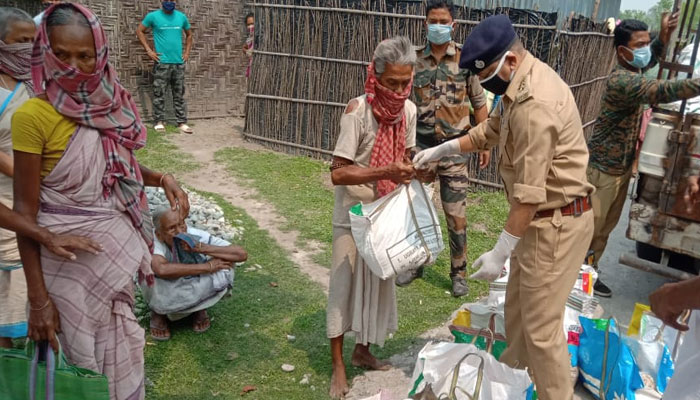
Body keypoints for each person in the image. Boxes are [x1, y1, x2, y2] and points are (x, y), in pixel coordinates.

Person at [12, 4, 189, 399]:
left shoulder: (111, 104)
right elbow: (26, 213)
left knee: (120, 350)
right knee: (74, 374)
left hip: (110, 267)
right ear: (45, 51)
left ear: (100, 55)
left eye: (84, 56)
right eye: (62, 54)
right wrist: (39, 301)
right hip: (63, 273)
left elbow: (117, 165)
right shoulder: (32, 116)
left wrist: (161, 177)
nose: (74, 66)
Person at [414, 15, 594, 400]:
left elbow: (529, 195)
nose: (485, 84)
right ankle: (512, 384)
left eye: (488, 74)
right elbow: (490, 131)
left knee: (542, 330)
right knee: (517, 313)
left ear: (510, 61)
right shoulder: (518, 85)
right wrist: (445, 148)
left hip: (558, 222)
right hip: (540, 221)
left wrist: (499, 251)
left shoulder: (535, 104)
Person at [0, 7, 101, 349]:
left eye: (32, 42)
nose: (26, 50)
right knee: (14, 301)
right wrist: (33, 174)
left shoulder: (42, 89)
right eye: (19, 41)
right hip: (15, 210)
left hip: (52, 215)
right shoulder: (24, 103)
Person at [585, 14, 700, 298]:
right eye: (640, 44)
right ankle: (577, 278)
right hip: (602, 170)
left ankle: (589, 273)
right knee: (590, 230)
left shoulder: (633, 70)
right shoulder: (622, 81)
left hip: (619, 168)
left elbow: (650, 62)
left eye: (646, 43)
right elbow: (664, 90)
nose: (644, 49)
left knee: (604, 230)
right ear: (623, 51)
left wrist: (662, 37)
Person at [326, 36, 417, 399]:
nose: (397, 91)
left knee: (378, 284)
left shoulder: (408, 112)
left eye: (404, 83)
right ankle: (337, 365)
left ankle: (362, 351)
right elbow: (338, 172)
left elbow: (406, 159)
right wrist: (383, 170)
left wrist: (415, 170)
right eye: (391, 82)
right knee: (343, 286)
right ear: (375, 76)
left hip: (386, 213)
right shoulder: (357, 111)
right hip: (352, 214)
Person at [397, 0, 489, 297]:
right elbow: (401, 101)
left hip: (454, 152)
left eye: (443, 21)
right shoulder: (412, 60)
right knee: (417, 212)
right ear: (425, 24)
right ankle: (415, 262)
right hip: (421, 150)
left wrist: (483, 141)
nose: (438, 26)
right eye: (432, 21)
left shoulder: (466, 60)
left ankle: (458, 273)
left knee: (455, 215)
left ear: (454, 25)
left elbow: (480, 103)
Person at [145, 207, 247, 341]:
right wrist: (207, 267)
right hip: (167, 286)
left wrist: (201, 247)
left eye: (182, 224)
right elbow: (162, 269)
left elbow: (241, 254)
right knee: (150, 273)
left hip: (189, 281)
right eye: (172, 228)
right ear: (159, 234)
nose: (180, 231)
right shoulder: (153, 240)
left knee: (226, 263)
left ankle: (199, 308)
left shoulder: (194, 235)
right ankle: (159, 312)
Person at [137, 0, 194, 134]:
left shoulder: (181, 17)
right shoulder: (153, 16)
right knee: (159, 93)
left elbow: (189, 35)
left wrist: (186, 52)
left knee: (179, 93)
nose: (170, 2)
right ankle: (159, 121)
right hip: (162, 63)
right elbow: (140, 31)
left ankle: (181, 122)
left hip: (178, 63)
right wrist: (149, 51)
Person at [243, 12, 254, 80]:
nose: (250, 26)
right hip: (251, 67)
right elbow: (245, 47)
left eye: (252, 24)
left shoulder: (260, 36)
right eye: (248, 24)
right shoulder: (249, 37)